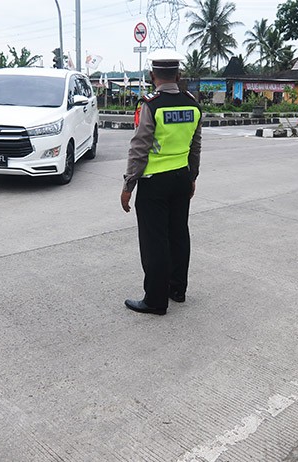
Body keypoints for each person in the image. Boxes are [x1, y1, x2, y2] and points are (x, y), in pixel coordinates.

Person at [120, 49, 202, 316]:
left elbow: (139, 147)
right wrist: (192, 177)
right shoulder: (192, 104)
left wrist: (128, 185)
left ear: (152, 75)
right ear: (178, 75)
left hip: (154, 183)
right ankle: (177, 289)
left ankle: (155, 300)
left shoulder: (151, 105)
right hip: (181, 178)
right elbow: (195, 145)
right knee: (178, 234)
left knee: (155, 240)